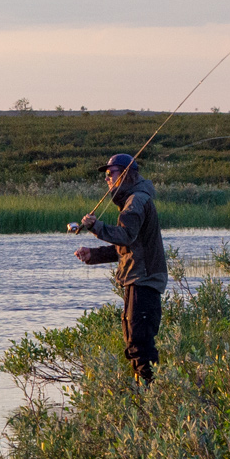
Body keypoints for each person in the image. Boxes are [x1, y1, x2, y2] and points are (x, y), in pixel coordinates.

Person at [74, 153, 166, 381]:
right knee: (135, 342)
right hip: (138, 280)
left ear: (125, 174)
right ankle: (148, 395)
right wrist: (93, 255)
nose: (106, 178)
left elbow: (125, 236)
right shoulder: (132, 201)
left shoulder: (136, 202)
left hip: (142, 281)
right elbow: (129, 248)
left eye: (110, 173)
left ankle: (152, 396)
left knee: (139, 345)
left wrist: (97, 227)